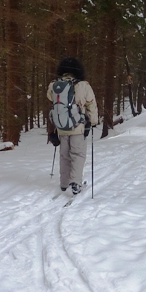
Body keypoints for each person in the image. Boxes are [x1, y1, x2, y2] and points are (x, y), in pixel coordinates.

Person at [47, 57, 99, 195]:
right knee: (77, 154)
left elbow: (50, 98)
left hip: (61, 127)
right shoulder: (83, 85)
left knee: (64, 155)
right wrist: (93, 121)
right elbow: (91, 104)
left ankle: (64, 183)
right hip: (78, 127)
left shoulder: (54, 85)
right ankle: (75, 183)